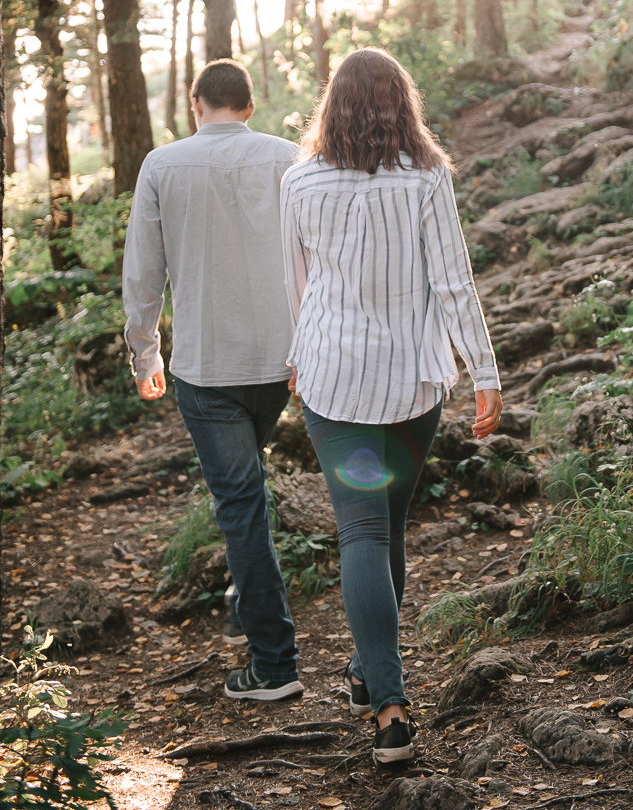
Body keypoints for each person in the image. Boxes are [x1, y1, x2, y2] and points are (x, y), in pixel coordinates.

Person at [280, 47, 502, 764]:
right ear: (401, 103)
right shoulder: (425, 179)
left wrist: (296, 355)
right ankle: (378, 682)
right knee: (388, 528)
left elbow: (298, 281)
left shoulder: (298, 182)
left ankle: (385, 699)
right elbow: (453, 282)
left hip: (334, 376)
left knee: (363, 534)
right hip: (412, 380)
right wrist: (485, 372)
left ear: (331, 106)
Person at [123, 58, 302, 702]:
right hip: (282, 362)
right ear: (249, 106)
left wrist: (146, 354)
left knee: (240, 502)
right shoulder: (291, 159)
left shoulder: (162, 165)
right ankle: (242, 604)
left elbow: (143, 272)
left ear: (196, 103)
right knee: (245, 488)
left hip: (207, 368)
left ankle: (274, 662)